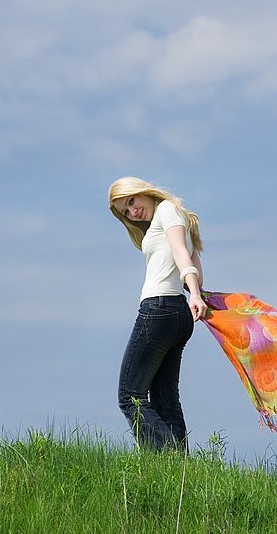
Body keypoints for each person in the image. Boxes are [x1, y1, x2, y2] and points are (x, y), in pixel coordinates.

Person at [108, 176, 207, 452]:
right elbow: (193, 266)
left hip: (158, 310)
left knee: (130, 397)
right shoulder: (175, 218)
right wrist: (195, 292)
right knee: (165, 399)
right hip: (177, 313)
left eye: (132, 201)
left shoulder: (166, 210)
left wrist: (196, 296)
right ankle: (182, 475)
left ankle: (171, 457)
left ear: (143, 191)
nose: (132, 212)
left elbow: (179, 251)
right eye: (125, 211)